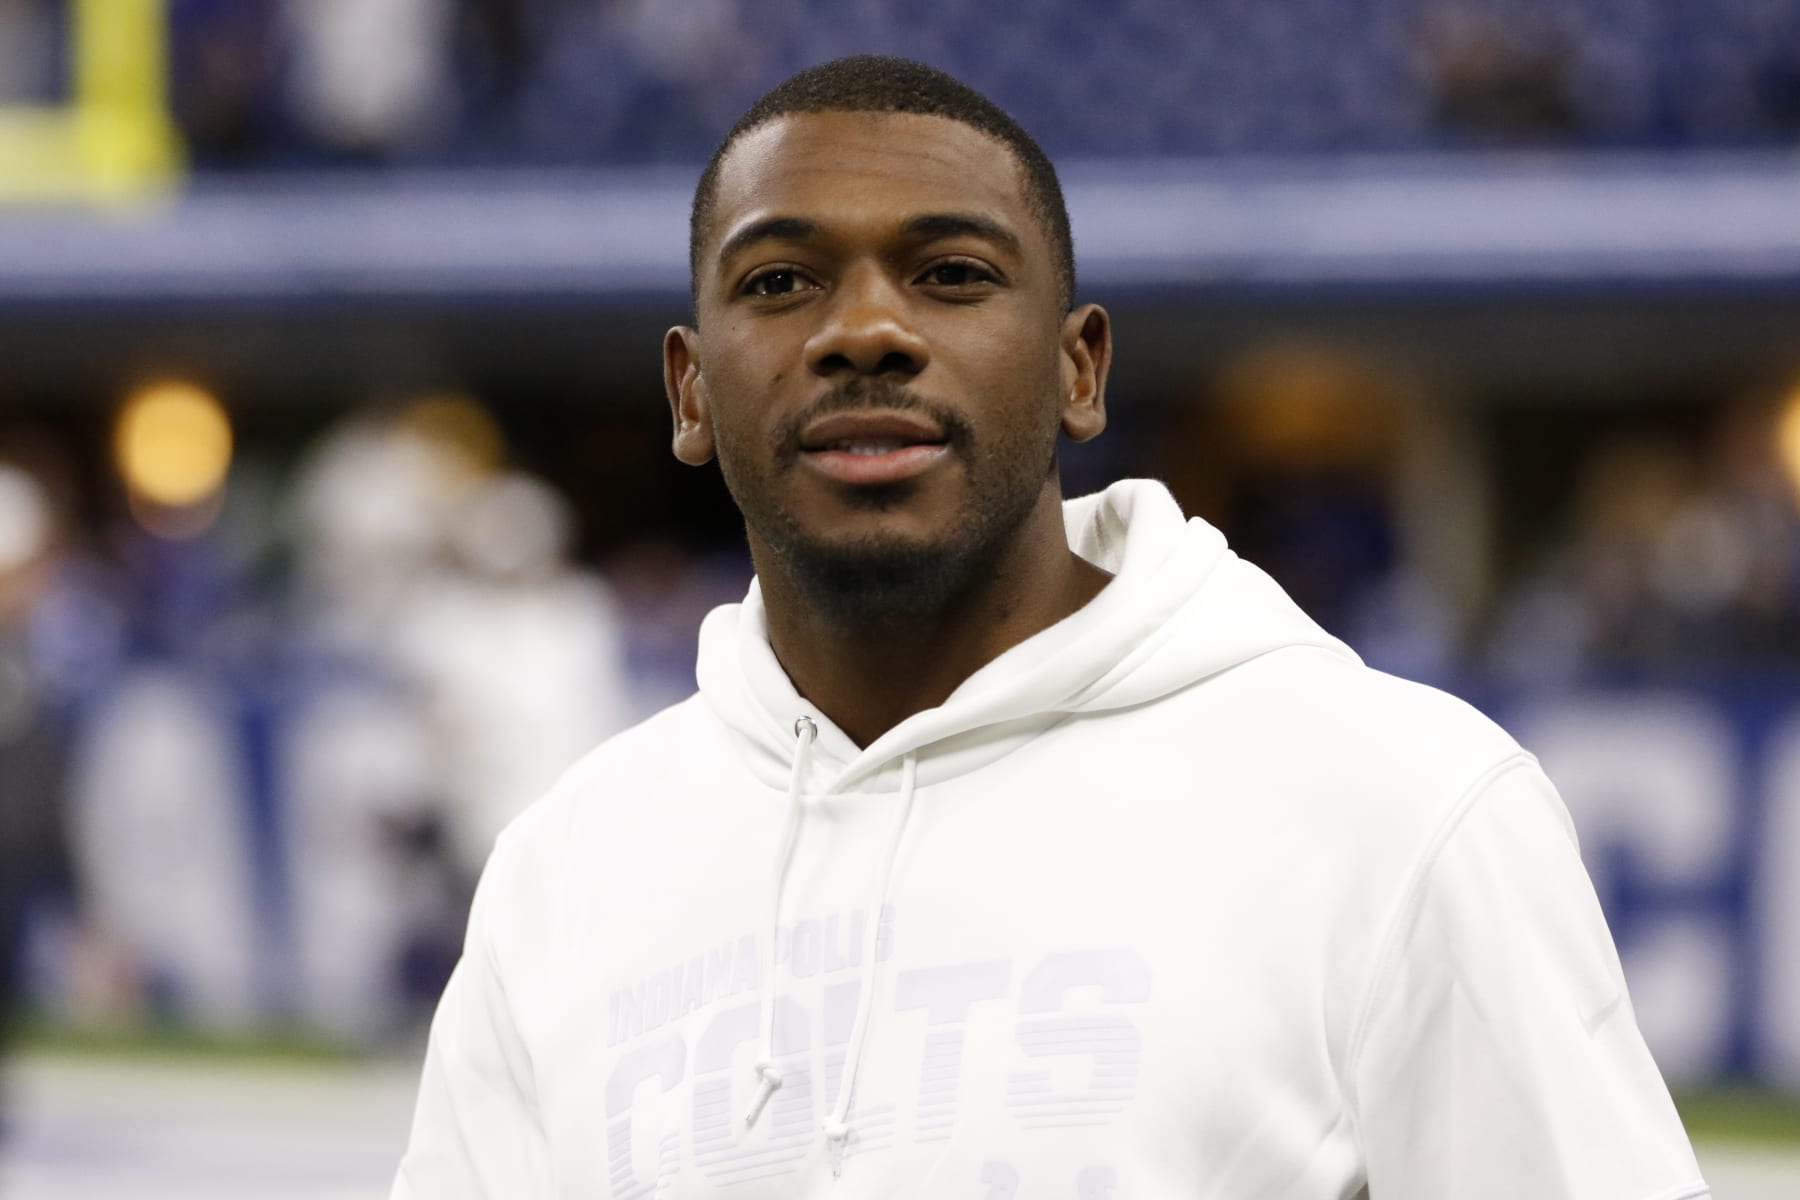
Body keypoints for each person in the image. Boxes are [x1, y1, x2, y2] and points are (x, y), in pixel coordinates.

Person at [392, 56, 1708, 1199]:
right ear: (689, 390)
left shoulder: (1403, 811)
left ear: (1079, 369)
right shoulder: (563, 875)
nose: (865, 331)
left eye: (952, 273)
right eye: (783, 280)